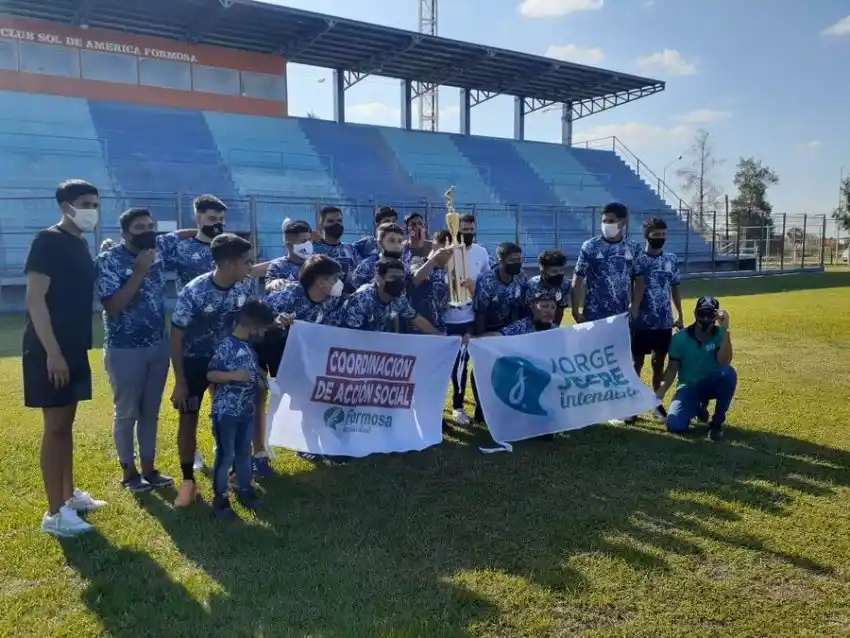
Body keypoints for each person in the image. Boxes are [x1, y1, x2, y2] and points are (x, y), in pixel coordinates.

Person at [23, 179, 106, 537]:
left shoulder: (79, 244)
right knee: (54, 428)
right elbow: (35, 300)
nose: (92, 210)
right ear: (65, 206)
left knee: (66, 426)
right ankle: (54, 513)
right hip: (49, 349)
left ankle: (69, 496)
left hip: (73, 346)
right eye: (85, 203)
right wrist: (53, 353)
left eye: (95, 203)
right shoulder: (48, 241)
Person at [169, 233, 257, 506]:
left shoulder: (246, 286)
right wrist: (180, 381)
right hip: (195, 361)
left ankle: (235, 473)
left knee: (235, 414)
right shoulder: (194, 291)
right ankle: (188, 481)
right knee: (188, 417)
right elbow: (176, 335)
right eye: (246, 262)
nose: (250, 266)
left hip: (230, 363)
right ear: (228, 263)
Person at [96, 208, 173, 493]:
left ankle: (150, 469)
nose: (147, 231)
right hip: (124, 349)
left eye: (151, 225)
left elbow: (181, 236)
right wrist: (139, 271)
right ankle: (129, 472)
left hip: (157, 345)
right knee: (127, 412)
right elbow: (113, 306)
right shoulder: (108, 261)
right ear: (125, 232)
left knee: (150, 411)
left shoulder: (158, 251)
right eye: (140, 227)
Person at [207, 300, 276, 519]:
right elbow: (210, 374)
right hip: (226, 412)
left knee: (244, 453)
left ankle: (244, 489)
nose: (264, 333)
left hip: (246, 412)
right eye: (264, 328)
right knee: (226, 456)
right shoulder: (226, 344)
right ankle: (220, 500)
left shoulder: (247, 345)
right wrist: (233, 376)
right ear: (253, 325)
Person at [656, 296, 736, 442]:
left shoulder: (720, 335)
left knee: (728, 373)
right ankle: (697, 407)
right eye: (702, 313)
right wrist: (661, 391)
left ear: (716, 316)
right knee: (675, 425)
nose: (705, 318)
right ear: (695, 314)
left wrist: (725, 330)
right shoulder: (680, 338)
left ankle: (716, 423)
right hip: (689, 386)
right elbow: (672, 369)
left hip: (712, 383)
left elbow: (724, 361)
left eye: (709, 314)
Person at [443, 215, 491, 425]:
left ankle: (462, 405)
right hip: (447, 317)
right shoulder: (445, 250)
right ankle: (447, 406)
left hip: (470, 317)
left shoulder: (481, 252)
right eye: (464, 229)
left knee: (465, 363)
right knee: (448, 365)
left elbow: (487, 281)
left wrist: (474, 286)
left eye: (471, 229)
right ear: (454, 228)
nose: (468, 232)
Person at [630, 217, 684, 396]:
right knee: (636, 363)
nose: (661, 238)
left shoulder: (671, 259)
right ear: (647, 236)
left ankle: (656, 402)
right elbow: (636, 287)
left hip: (664, 321)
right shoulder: (638, 260)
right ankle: (633, 404)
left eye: (663, 234)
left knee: (658, 363)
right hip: (642, 321)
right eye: (656, 234)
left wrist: (679, 314)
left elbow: (675, 288)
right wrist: (634, 311)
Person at [571, 202, 643, 323]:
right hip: (593, 316)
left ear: (623, 222)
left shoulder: (633, 247)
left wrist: (635, 306)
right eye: (604, 221)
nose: (606, 224)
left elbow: (640, 281)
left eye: (611, 221)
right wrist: (575, 311)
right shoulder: (590, 246)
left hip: (621, 316)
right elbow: (577, 280)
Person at [341, 258, 441, 334]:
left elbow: (417, 319)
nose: (398, 281)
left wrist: (440, 336)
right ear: (379, 278)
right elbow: (351, 335)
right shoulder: (362, 299)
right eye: (393, 277)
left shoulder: (398, 298)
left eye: (401, 278)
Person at [351, 222, 411, 288]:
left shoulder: (405, 268)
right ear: (379, 243)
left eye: (399, 241)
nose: (397, 246)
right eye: (392, 241)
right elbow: (353, 291)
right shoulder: (367, 266)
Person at [312, 205, 359, 289]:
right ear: (322, 224)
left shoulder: (351, 249)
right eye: (331, 221)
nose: (336, 224)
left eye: (339, 221)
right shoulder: (313, 250)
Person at [265, 219, 313, 291]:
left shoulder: (316, 263)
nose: (309, 244)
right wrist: (274, 283)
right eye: (303, 241)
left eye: (309, 240)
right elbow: (268, 285)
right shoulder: (277, 266)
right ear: (289, 245)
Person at [525, 250, 570, 325]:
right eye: (554, 271)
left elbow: (561, 309)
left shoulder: (565, 284)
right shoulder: (531, 285)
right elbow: (526, 311)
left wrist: (554, 328)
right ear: (543, 271)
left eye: (561, 270)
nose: (559, 274)